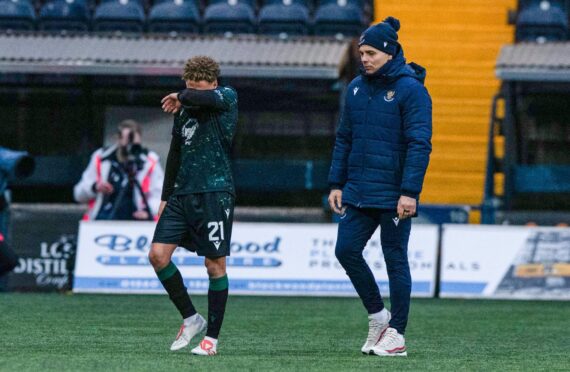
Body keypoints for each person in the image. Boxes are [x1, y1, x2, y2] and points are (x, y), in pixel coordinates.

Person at [328, 16, 432, 357]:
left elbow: (419, 143)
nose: (365, 58)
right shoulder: (355, 88)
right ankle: (378, 316)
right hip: (358, 189)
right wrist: (336, 183)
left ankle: (397, 333)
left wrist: (410, 192)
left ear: (389, 52)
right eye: (362, 52)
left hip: (394, 193)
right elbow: (344, 138)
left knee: (394, 259)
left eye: (371, 52)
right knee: (345, 250)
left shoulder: (412, 90)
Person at [148, 56, 238, 356]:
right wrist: (164, 196)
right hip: (181, 194)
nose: (192, 94)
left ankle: (212, 339)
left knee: (215, 265)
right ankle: (190, 318)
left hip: (214, 193)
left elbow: (200, 97)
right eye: (188, 88)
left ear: (213, 84)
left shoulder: (226, 98)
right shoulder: (183, 111)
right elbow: (175, 152)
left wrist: (182, 95)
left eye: (197, 89)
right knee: (158, 255)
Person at [73, 120, 164, 221]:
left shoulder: (149, 161)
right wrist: (95, 187)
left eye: (134, 145)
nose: (130, 149)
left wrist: (148, 211)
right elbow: (78, 194)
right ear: (118, 139)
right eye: (127, 143)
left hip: (137, 222)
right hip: (103, 219)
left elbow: (161, 197)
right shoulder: (101, 158)